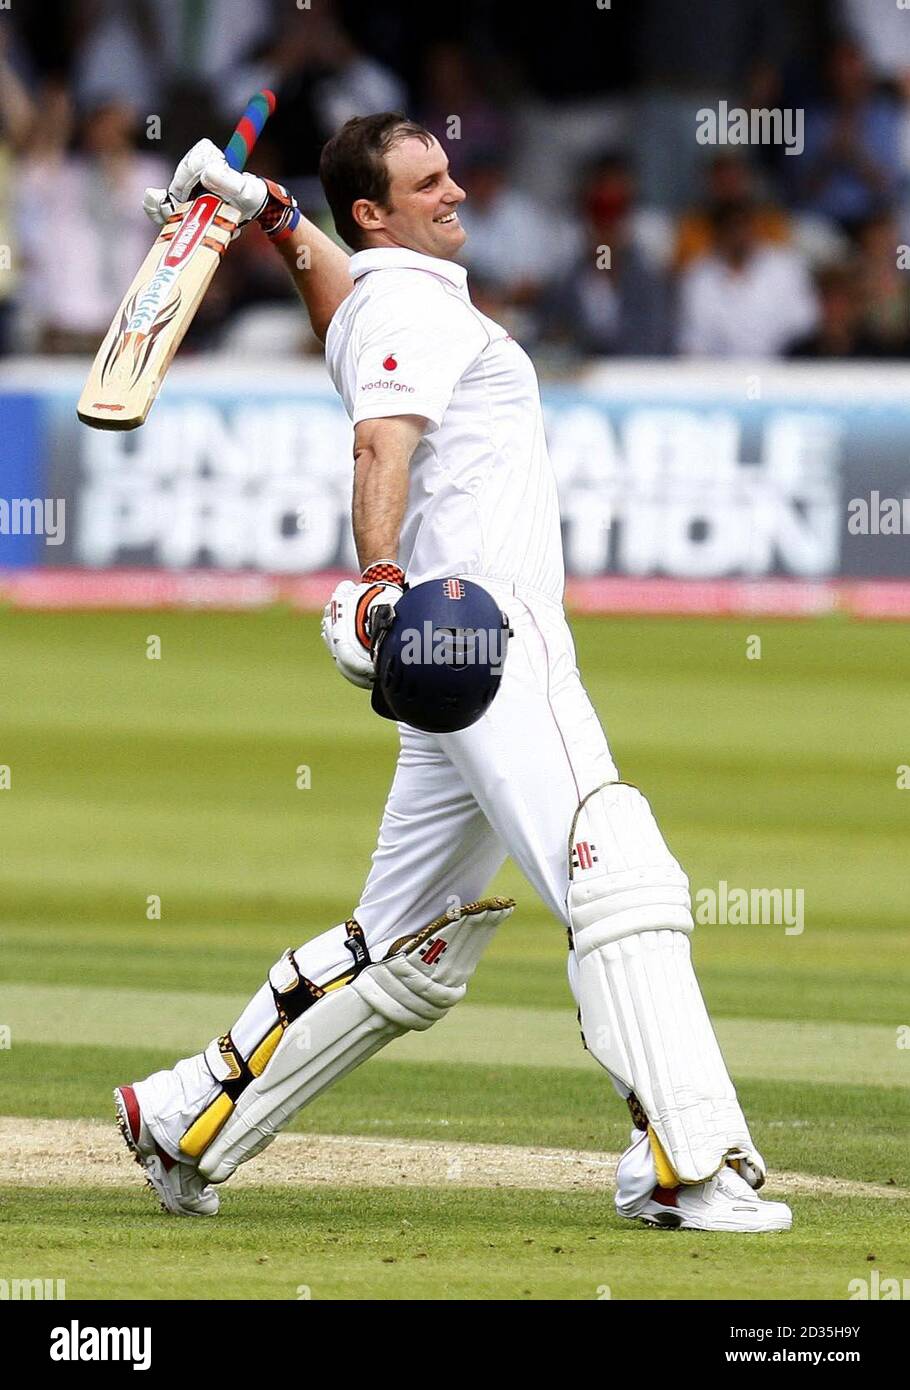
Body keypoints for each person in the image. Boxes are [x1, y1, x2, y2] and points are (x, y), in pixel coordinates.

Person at [115, 112, 792, 1234]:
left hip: (454, 661)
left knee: (400, 950)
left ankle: (186, 1116)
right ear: (375, 211)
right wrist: (378, 576)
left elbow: (350, 300)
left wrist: (270, 214)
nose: (456, 191)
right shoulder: (407, 307)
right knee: (613, 866)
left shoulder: (384, 298)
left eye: (450, 171)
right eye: (426, 180)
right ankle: (684, 1165)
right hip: (485, 632)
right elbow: (380, 442)